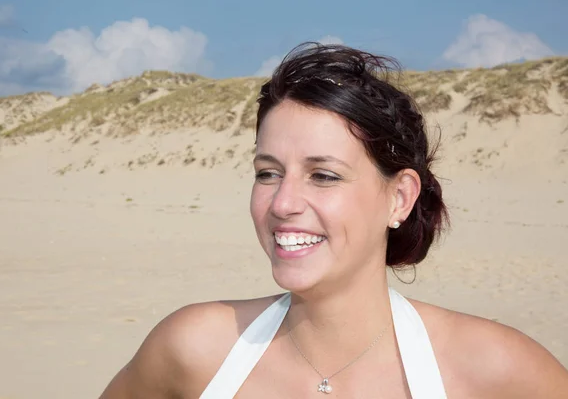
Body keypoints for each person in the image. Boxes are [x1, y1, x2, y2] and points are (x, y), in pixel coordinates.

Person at [99, 42, 568, 398]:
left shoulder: (493, 370)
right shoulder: (195, 348)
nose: (283, 202)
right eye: (268, 173)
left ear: (400, 197)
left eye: (323, 175)